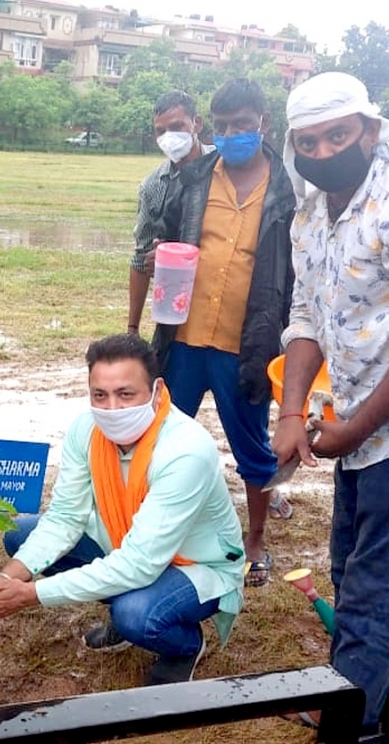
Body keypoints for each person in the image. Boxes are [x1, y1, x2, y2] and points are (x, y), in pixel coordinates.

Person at [0, 334, 244, 686]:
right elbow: (65, 517)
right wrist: (8, 577)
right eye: (99, 395)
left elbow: (139, 563)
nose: (112, 409)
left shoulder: (186, 450)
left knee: (136, 614)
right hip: (126, 544)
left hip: (196, 564)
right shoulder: (86, 430)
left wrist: (29, 595)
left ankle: (184, 646)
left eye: (126, 394)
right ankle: (127, 608)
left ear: (156, 390)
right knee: (23, 535)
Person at [272, 71, 389, 735]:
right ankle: (366, 698)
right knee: (349, 571)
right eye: (308, 142)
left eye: (337, 136)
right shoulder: (310, 215)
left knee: (374, 589)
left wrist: (352, 429)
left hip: (378, 431)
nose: (322, 153)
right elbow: (306, 316)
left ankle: (353, 721)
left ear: (369, 130)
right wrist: (294, 414)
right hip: (356, 434)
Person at [153, 78, 297, 586]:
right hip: (186, 338)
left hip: (247, 343)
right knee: (164, 439)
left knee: (253, 448)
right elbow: (168, 238)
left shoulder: (287, 191)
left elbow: (292, 268)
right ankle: (162, 531)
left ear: (263, 124)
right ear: (211, 127)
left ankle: (254, 539)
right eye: (223, 126)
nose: (233, 134)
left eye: (243, 125)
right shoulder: (193, 181)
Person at [127, 90, 213, 334]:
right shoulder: (154, 186)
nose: (168, 137)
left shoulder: (224, 167)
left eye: (177, 127)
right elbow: (140, 258)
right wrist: (132, 328)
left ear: (196, 123)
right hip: (178, 311)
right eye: (160, 131)